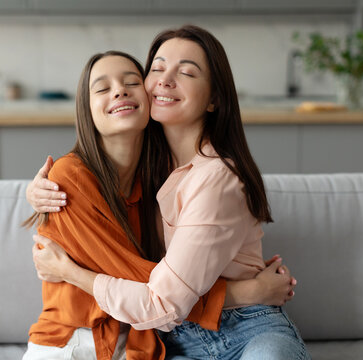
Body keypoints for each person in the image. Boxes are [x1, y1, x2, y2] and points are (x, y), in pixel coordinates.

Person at [28, 25, 310, 360]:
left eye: (187, 72)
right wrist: (38, 193)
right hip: (169, 337)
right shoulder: (144, 169)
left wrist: (69, 272)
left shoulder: (215, 177)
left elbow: (163, 300)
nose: (164, 79)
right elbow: (152, 288)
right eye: (157, 68)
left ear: (214, 99)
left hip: (242, 328)